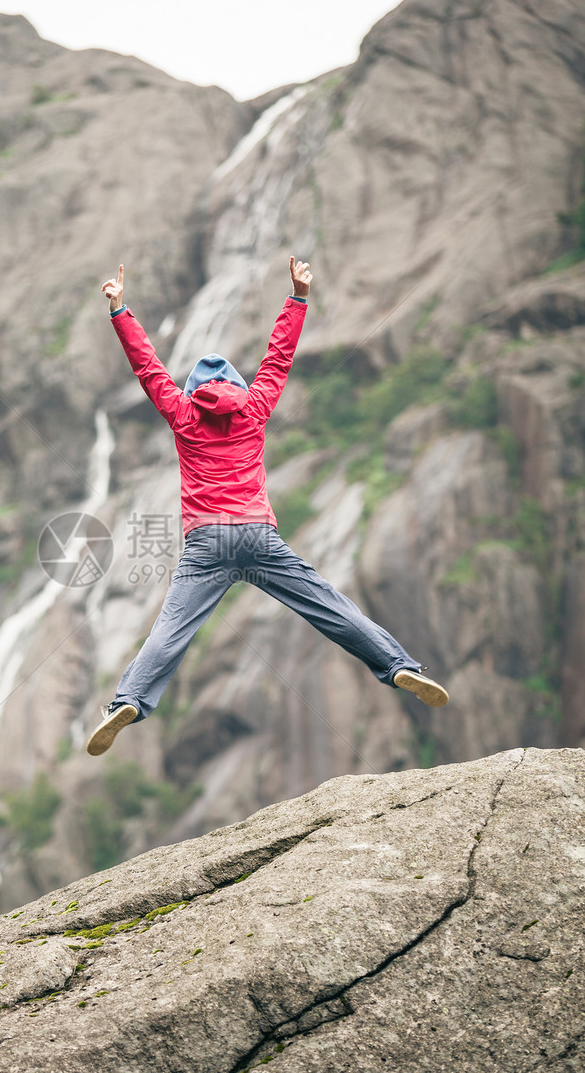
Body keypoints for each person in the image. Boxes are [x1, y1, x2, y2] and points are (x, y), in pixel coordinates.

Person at [86, 258, 448, 756]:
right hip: (257, 534)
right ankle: (397, 664)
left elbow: (146, 365)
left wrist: (120, 309)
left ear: (193, 391)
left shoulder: (182, 413)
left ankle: (128, 700)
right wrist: (297, 296)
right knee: (327, 605)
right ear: (236, 385)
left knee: (170, 631)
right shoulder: (254, 408)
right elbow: (279, 359)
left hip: (206, 541)